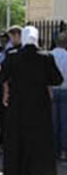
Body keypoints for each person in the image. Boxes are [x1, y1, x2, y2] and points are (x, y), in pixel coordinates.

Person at [0, 26, 63, 175]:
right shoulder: (46, 57)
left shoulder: (12, 56)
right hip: (39, 107)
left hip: (18, 106)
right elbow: (57, 79)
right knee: (39, 142)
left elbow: (2, 76)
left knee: (17, 141)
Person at [52, 32, 67, 161]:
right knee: (64, 122)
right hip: (65, 90)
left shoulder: (49, 56)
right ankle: (63, 151)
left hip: (51, 91)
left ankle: (53, 149)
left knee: (52, 121)